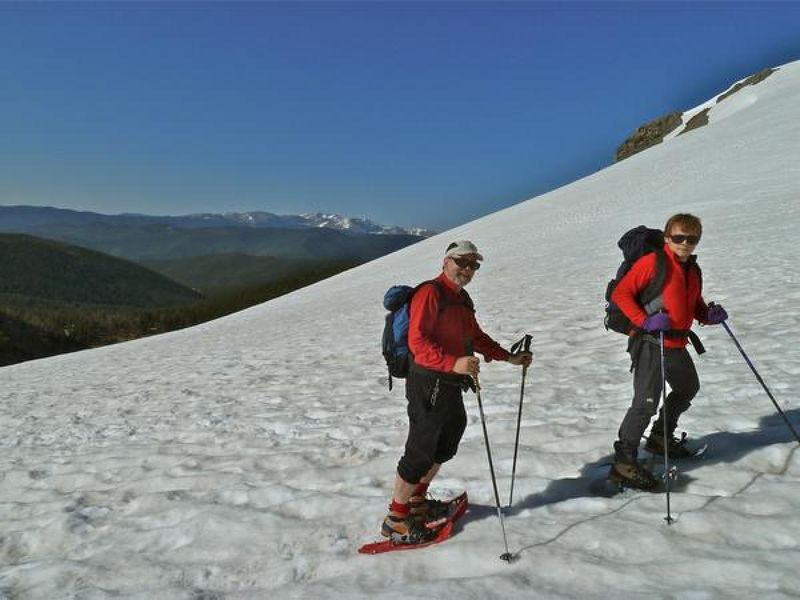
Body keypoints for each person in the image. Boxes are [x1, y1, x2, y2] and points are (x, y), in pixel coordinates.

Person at [381, 240, 533, 543]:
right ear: (446, 262)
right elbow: (418, 344)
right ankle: (395, 519)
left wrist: (508, 356)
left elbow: (474, 336)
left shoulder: (461, 299)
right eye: (462, 262)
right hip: (428, 381)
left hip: (450, 380)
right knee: (421, 449)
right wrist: (454, 362)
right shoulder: (430, 293)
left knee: (446, 441)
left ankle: (417, 502)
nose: (467, 269)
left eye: (473, 265)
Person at [609, 214, 728, 489]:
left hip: (677, 343)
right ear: (667, 238)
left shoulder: (692, 269)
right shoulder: (653, 263)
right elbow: (622, 294)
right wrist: (644, 321)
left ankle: (660, 438)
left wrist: (709, 315)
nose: (685, 243)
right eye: (679, 238)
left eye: (692, 238)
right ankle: (624, 463)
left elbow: (693, 303)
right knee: (644, 405)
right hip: (652, 343)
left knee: (687, 388)